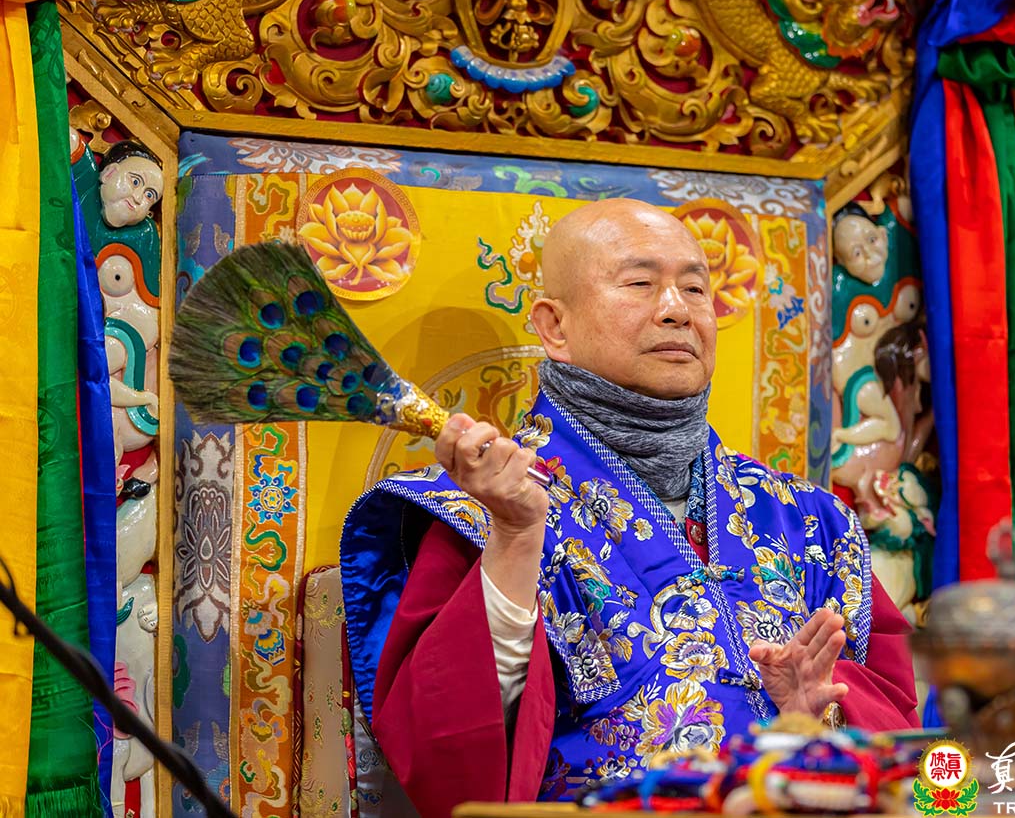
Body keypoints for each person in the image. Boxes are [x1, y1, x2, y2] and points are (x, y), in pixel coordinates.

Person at [340, 199, 919, 817]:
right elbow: (450, 760)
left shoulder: (806, 518)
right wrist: (514, 539)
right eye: (640, 284)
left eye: (695, 288)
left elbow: (906, 739)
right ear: (554, 327)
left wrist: (810, 725)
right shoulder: (484, 507)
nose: (676, 310)